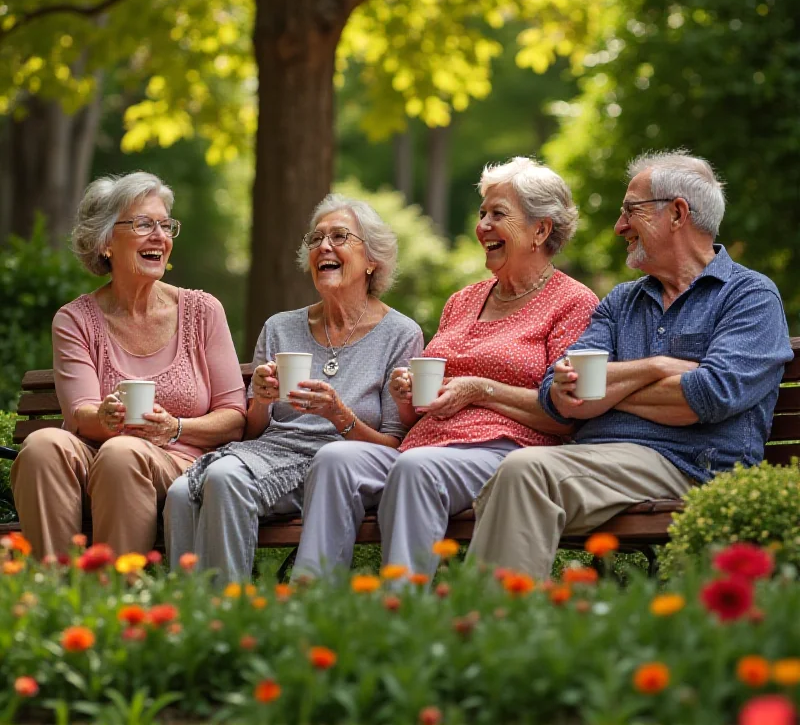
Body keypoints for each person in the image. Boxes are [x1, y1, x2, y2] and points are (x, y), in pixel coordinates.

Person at [468, 150, 794, 578]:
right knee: (514, 480)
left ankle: (487, 628)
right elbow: (561, 395)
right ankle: (514, 625)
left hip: (691, 467)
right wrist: (659, 367)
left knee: (525, 473)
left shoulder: (749, 296)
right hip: (598, 465)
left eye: (630, 212)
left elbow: (709, 395)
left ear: (677, 214)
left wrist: (604, 392)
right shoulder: (622, 301)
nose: (620, 226)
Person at [293, 157, 599, 578]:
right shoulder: (463, 300)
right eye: (482, 214)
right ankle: (311, 605)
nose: (483, 226)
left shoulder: (573, 303)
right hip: (421, 447)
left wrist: (480, 389)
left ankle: (403, 616)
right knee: (335, 460)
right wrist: (407, 397)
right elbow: (424, 408)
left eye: (498, 214)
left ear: (541, 230)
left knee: (416, 469)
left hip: (508, 451)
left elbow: (567, 415)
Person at [164, 194, 424, 583]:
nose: (324, 247)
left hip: (335, 466)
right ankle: (189, 619)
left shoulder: (400, 334)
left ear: (372, 260)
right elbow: (253, 430)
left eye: (340, 236)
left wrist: (339, 414)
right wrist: (263, 401)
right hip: (266, 452)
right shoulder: (280, 327)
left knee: (223, 480)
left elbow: (395, 446)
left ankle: (226, 616)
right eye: (316, 239)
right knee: (181, 495)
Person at [11, 172, 246, 560]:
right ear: (105, 243)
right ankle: (52, 596)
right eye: (142, 224)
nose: (160, 236)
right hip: (97, 457)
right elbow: (79, 414)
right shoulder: (75, 320)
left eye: (165, 225)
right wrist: (104, 417)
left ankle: (112, 599)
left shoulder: (202, 311)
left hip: (177, 461)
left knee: (123, 452)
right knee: (41, 445)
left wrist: (175, 427)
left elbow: (234, 417)